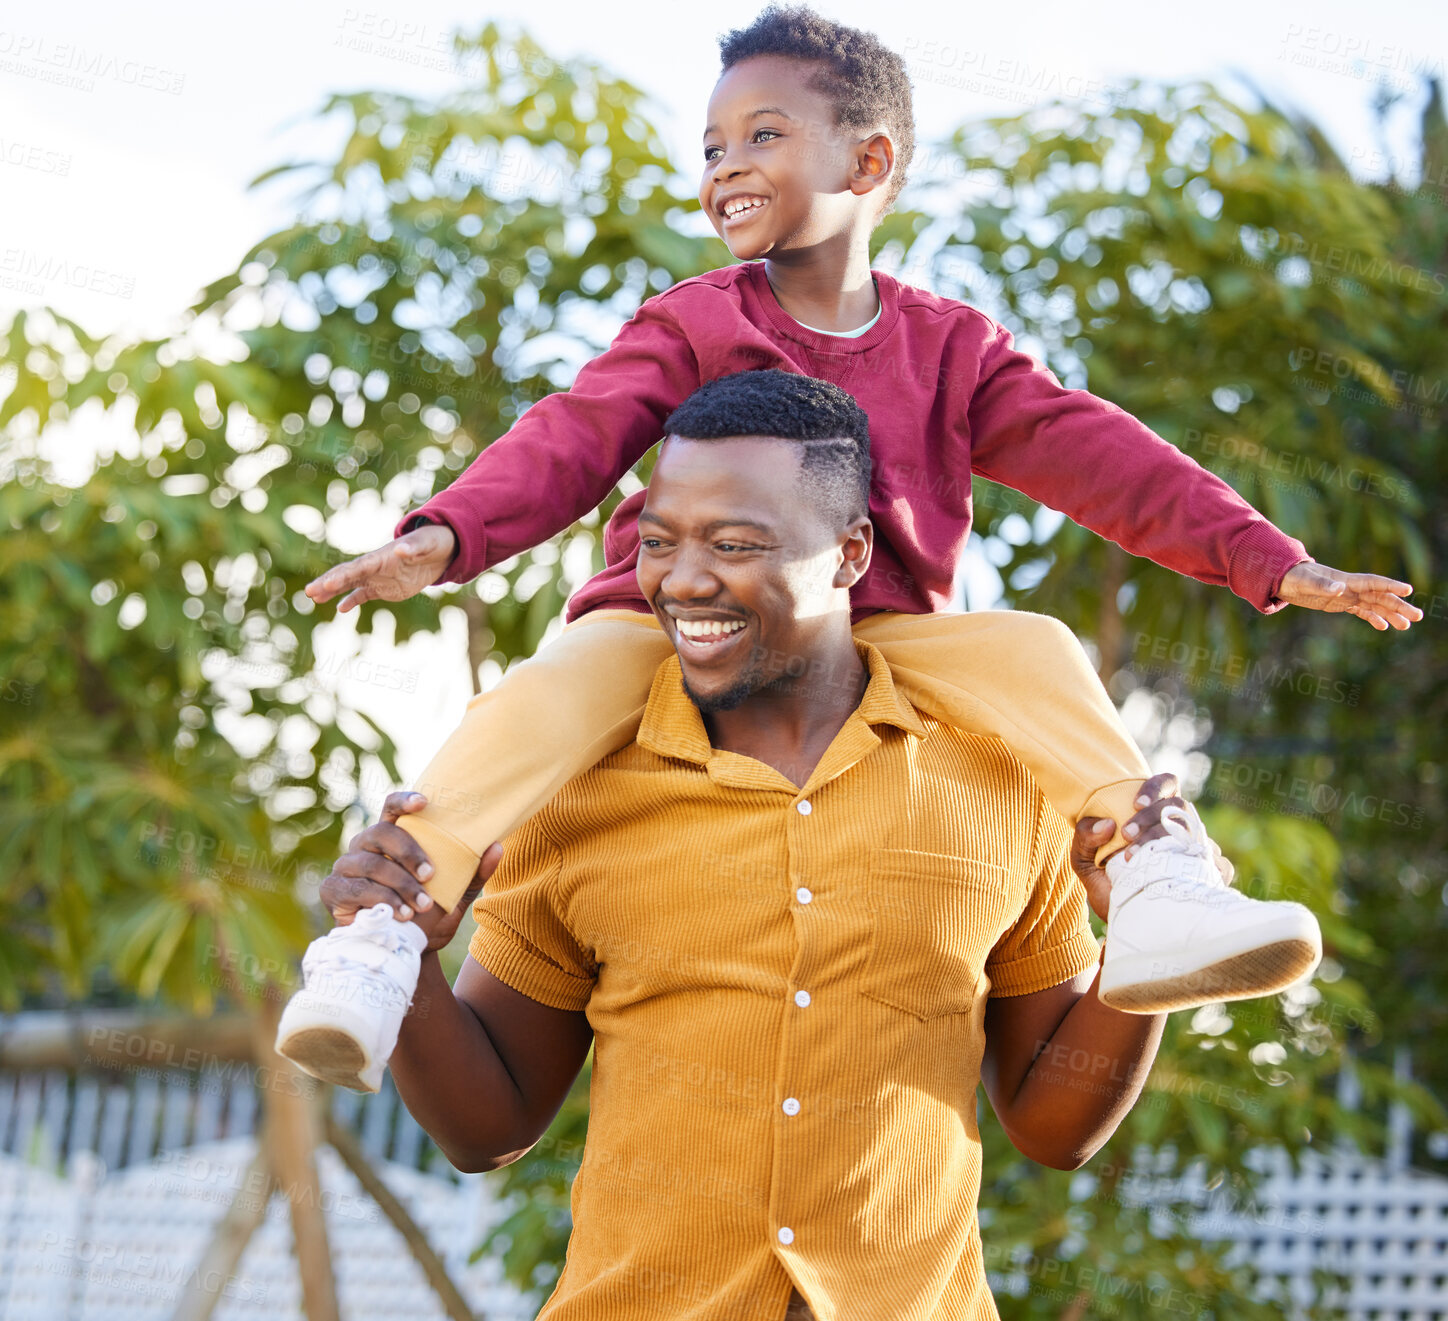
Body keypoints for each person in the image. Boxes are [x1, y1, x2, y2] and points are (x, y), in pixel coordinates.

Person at [277, 6, 1417, 1091]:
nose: (725, 163)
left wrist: (1271, 559)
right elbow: (576, 429)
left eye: (762, 135)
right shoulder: (695, 321)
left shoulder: (954, 350)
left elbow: (1101, 455)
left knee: (1037, 648)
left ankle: (1156, 878)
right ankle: (382, 936)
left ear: (867, 165)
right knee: (547, 694)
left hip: (877, 636)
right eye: (713, 143)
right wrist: (445, 533)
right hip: (668, 618)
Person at [307, 376, 1227, 1319]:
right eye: (660, 541)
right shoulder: (576, 791)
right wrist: (412, 960)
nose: (685, 578)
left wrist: (1140, 956)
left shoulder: (997, 778)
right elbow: (486, 1127)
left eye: (735, 544)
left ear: (850, 554)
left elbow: (1053, 1123)